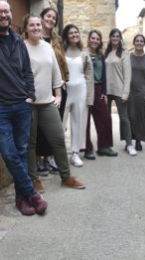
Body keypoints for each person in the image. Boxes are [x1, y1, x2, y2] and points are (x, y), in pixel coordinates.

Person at [23, 14, 85, 191]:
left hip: (47, 102)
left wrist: (58, 95)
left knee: (58, 138)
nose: (36, 28)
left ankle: (66, 176)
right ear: (26, 28)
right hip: (29, 104)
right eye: (32, 25)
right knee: (31, 143)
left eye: (38, 25)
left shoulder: (47, 47)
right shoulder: (21, 47)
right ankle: (34, 179)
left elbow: (55, 72)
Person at [0, 0, 47, 215]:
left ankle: (22, 200)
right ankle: (33, 194)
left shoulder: (18, 42)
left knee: (20, 152)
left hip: (22, 105)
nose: (4, 15)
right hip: (1, 109)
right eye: (0, 12)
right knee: (9, 154)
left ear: (11, 14)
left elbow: (27, 71)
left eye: (7, 11)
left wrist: (30, 95)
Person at [36, 7, 69, 175]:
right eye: (48, 16)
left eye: (53, 18)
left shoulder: (57, 39)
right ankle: (39, 160)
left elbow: (62, 62)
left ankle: (50, 158)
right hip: (40, 87)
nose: (51, 20)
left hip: (57, 87)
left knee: (55, 125)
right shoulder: (33, 35)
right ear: (42, 17)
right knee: (40, 126)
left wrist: (65, 81)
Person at [62, 24, 94, 167]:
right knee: (60, 124)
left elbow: (89, 76)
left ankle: (75, 153)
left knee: (78, 123)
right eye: (71, 33)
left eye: (76, 32)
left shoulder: (84, 53)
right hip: (64, 91)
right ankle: (58, 154)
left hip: (81, 90)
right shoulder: (61, 51)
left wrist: (90, 97)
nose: (74, 34)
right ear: (66, 36)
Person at [85, 30, 118, 159]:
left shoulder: (101, 56)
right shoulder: (83, 54)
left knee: (105, 118)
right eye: (93, 38)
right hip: (86, 88)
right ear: (89, 39)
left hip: (98, 89)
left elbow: (104, 75)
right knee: (85, 120)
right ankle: (87, 149)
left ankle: (104, 147)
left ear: (100, 42)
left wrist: (104, 92)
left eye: (97, 39)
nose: (95, 41)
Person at [105, 29, 135, 156]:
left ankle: (129, 145)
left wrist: (125, 93)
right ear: (110, 37)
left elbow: (128, 75)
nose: (115, 38)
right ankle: (105, 144)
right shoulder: (106, 53)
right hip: (106, 91)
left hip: (119, 90)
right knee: (105, 119)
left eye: (117, 36)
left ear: (120, 38)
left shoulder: (124, 53)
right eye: (113, 36)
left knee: (124, 118)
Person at [128, 34, 145, 151]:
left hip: (141, 92)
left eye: (141, 41)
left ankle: (138, 140)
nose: (139, 43)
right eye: (137, 41)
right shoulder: (128, 57)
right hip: (129, 91)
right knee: (130, 116)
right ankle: (129, 140)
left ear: (144, 43)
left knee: (141, 117)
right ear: (134, 43)